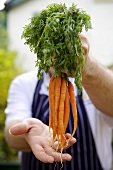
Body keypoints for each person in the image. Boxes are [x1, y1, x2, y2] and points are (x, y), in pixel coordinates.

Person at [4, 34, 113, 170]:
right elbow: (12, 134)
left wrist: (85, 65)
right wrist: (27, 134)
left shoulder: (96, 79)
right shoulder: (24, 83)